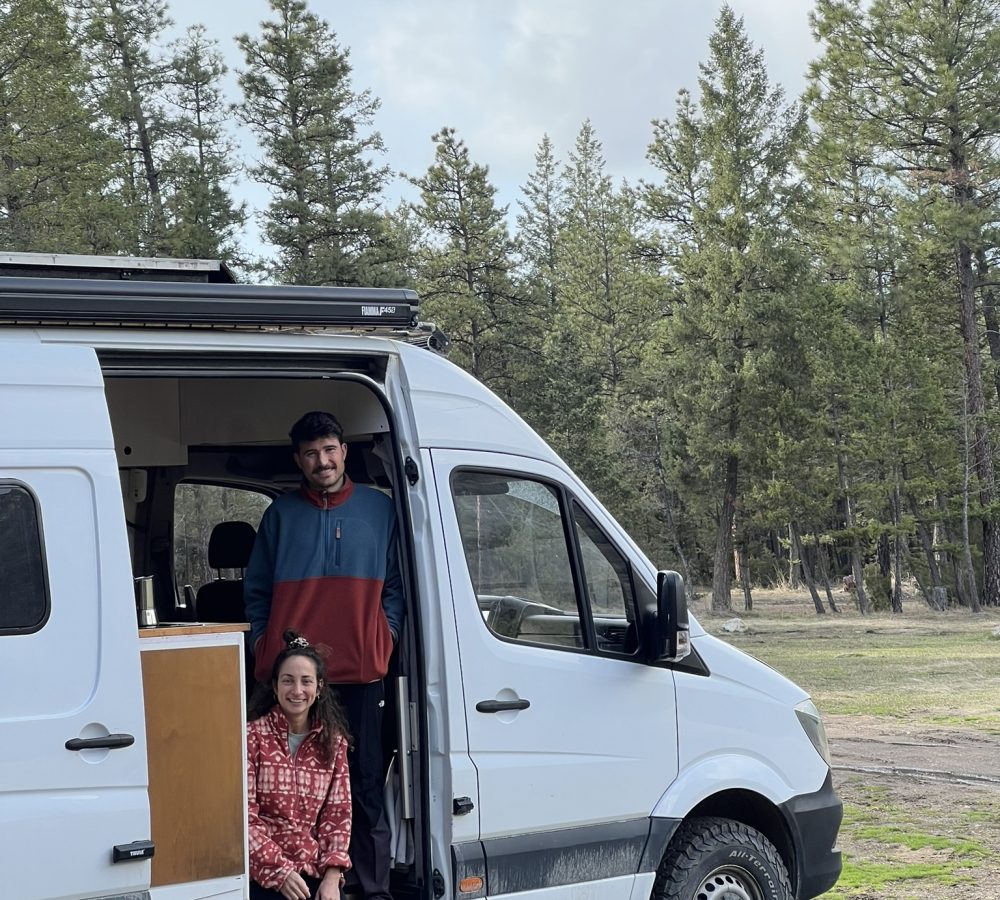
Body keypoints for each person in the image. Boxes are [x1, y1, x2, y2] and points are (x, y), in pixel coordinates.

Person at [245, 410, 405, 900]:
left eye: (329, 449)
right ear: (299, 459)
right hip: (295, 680)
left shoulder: (380, 511)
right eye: (311, 453)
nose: (322, 461)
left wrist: (385, 637)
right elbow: (257, 594)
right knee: (288, 792)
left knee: (363, 790)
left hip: (361, 674)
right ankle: (297, 881)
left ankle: (369, 888)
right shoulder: (280, 515)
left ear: (344, 451)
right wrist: (264, 648)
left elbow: (396, 589)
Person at [247, 629, 352, 900]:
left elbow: (338, 815)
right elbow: (243, 818)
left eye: (306, 681)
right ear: (274, 686)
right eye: (288, 681)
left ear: (319, 688)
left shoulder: (333, 742)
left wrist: (332, 876)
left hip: (313, 873)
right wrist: (279, 873)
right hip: (261, 874)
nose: (297, 691)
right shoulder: (251, 737)